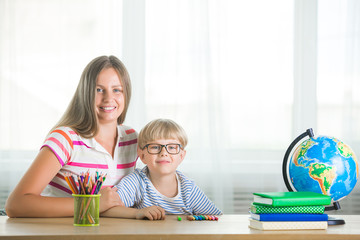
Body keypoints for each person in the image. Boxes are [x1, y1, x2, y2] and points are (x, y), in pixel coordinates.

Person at [5, 55, 138, 217]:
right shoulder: (65, 139)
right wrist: (93, 203)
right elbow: (16, 204)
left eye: (117, 90)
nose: (109, 98)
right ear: (86, 94)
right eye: (99, 90)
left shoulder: (132, 138)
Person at [101, 118, 222, 220]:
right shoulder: (136, 182)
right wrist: (137, 213)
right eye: (155, 147)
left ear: (181, 156)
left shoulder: (188, 188)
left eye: (172, 147)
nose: (164, 152)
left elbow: (216, 217)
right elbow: (108, 209)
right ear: (142, 155)